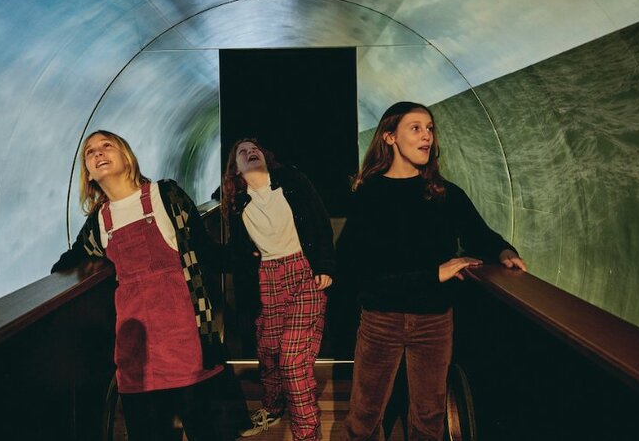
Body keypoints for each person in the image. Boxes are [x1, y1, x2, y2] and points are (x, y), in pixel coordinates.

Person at [338, 102, 527, 441]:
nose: (426, 135)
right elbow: (357, 271)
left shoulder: (444, 192)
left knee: (429, 417)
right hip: (382, 319)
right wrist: (432, 274)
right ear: (389, 136)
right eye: (416, 128)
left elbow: (479, 234)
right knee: (364, 417)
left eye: (430, 128)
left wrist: (505, 251)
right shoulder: (369, 195)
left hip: (434, 321)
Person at [51, 130, 231, 441]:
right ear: (89, 174)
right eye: (90, 152)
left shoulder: (165, 195)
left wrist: (255, 257)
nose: (98, 153)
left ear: (126, 156)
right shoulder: (99, 220)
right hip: (136, 351)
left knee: (204, 430)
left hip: (184, 341)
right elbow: (75, 256)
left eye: (107, 145)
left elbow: (205, 249)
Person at [221, 138, 336, 440]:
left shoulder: (293, 181)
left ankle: (306, 433)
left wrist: (325, 266)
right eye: (242, 153)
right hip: (267, 278)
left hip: (304, 272)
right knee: (269, 353)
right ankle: (273, 407)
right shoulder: (236, 203)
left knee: (292, 362)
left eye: (254, 148)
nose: (251, 152)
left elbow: (321, 223)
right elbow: (236, 253)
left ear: (265, 155)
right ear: (235, 169)